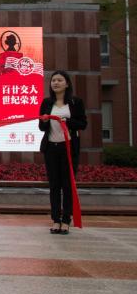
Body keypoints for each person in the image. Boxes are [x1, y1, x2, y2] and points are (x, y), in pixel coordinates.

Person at [38, 70, 87, 235]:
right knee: (54, 185)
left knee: (67, 185)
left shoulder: (75, 102)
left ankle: (66, 220)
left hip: (69, 148)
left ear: (67, 84)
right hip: (51, 148)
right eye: (53, 80)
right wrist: (45, 121)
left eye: (59, 80)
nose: (56, 83)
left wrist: (68, 121)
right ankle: (55, 220)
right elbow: (42, 127)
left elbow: (83, 124)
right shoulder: (46, 102)